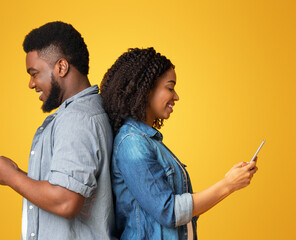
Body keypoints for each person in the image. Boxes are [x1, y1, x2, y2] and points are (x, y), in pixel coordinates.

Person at [100, 47, 258, 240]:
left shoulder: (149, 141)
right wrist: (228, 184)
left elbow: (183, 212)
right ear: (146, 89)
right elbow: (168, 211)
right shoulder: (132, 143)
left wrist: (230, 181)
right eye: (170, 87)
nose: (176, 96)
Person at [0, 21, 115, 240]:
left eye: (34, 73)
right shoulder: (89, 111)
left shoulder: (77, 119)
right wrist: (19, 176)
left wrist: (11, 176)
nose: (31, 84)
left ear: (61, 67)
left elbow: (66, 201)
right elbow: (72, 187)